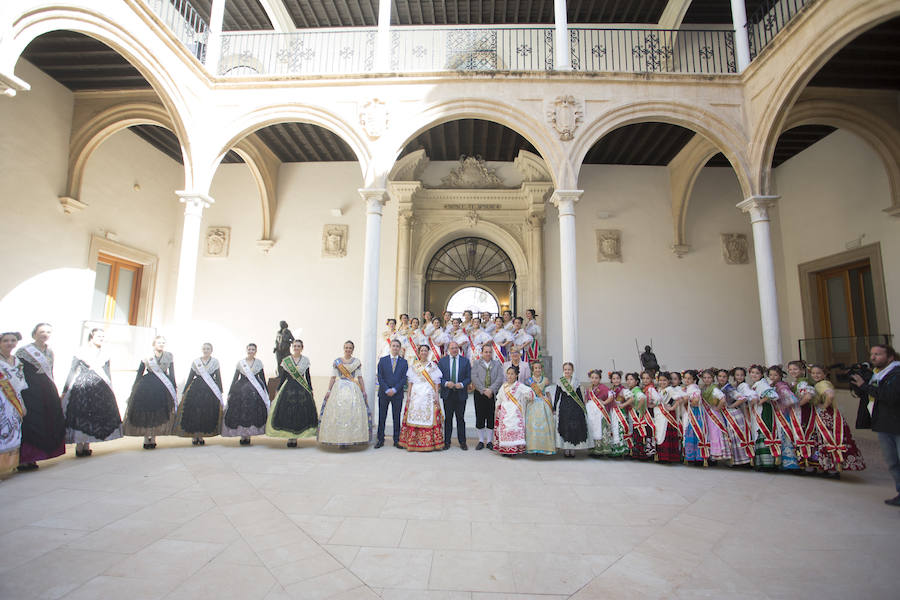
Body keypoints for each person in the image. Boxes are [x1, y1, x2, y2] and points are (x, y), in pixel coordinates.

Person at [850, 344, 900, 505]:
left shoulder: (895, 374)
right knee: (892, 461)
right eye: (872, 354)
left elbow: (889, 396)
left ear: (890, 357)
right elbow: (868, 394)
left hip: (896, 423)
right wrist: (860, 386)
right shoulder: (876, 375)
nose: (873, 357)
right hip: (884, 425)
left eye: (878, 354)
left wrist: (865, 386)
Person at [62, 328, 122, 456]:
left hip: (100, 387)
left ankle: (87, 444)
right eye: (99, 336)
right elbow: (72, 370)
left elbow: (107, 371)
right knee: (81, 414)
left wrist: (110, 387)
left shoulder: (105, 353)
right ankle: (79, 445)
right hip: (83, 385)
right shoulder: (81, 351)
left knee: (94, 416)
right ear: (91, 337)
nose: (101, 338)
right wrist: (65, 389)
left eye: (102, 336)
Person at [15, 323, 65, 469]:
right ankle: (24, 459)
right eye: (42, 331)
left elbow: (51, 372)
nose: (45, 334)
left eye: (48, 332)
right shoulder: (24, 351)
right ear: (34, 333)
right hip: (30, 391)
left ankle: (36, 457)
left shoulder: (50, 352)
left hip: (47, 391)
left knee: (46, 422)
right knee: (31, 422)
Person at [809, 364, 865, 477]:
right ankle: (828, 467)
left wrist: (824, 406)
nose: (815, 375)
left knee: (828, 440)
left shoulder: (823, 384)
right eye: (813, 373)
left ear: (825, 374)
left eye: (818, 373)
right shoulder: (820, 384)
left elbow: (830, 395)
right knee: (823, 441)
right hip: (827, 415)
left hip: (827, 416)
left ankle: (832, 469)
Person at [123, 336, 177, 449]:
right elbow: (140, 372)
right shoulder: (147, 356)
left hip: (162, 387)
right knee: (147, 412)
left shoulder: (169, 356)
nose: (161, 344)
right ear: (154, 344)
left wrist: (173, 386)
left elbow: (172, 373)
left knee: (159, 412)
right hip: (147, 386)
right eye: (159, 342)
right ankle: (146, 437)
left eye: (163, 342)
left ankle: (153, 438)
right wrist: (134, 388)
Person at [319, 341, 371, 448]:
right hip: (339, 388)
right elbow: (333, 377)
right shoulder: (337, 362)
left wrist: (364, 391)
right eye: (346, 347)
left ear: (353, 349)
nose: (348, 350)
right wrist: (329, 391)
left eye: (350, 348)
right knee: (339, 414)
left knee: (351, 414)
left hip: (353, 388)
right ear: (344, 348)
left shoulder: (356, 362)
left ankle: (350, 438)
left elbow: (360, 377)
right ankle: (339, 439)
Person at [267, 339, 318, 446]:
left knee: (300, 413)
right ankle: (290, 436)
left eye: (298, 346)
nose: (296, 348)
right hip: (288, 388)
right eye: (295, 346)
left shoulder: (305, 360)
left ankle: (296, 437)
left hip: (302, 388)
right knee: (287, 412)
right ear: (292, 347)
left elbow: (307, 376)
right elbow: (283, 377)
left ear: (302, 348)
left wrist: (310, 389)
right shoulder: (287, 361)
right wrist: (278, 389)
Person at [174, 342, 224, 444]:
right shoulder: (196, 362)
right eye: (204, 349)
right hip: (196, 388)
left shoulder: (215, 362)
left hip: (209, 390)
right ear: (202, 350)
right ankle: (194, 435)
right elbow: (191, 376)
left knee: (205, 413)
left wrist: (220, 390)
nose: (206, 350)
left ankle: (201, 435)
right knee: (194, 412)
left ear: (211, 350)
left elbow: (218, 377)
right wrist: (184, 391)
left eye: (208, 349)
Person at [398, 345, 444, 452]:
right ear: (418, 353)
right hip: (416, 395)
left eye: (425, 350)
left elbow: (437, 383)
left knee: (429, 417)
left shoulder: (433, 366)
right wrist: (408, 396)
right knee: (414, 417)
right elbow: (410, 382)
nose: (424, 352)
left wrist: (437, 395)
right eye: (422, 350)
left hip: (429, 396)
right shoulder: (414, 366)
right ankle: (412, 442)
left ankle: (430, 443)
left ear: (429, 352)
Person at [222, 343, 269, 445]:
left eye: (253, 349)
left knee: (253, 412)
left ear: (255, 351)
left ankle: (249, 435)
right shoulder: (241, 363)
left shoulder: (259, 363)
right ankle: (243, 435)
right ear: (246, 350)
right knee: (240, 412)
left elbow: (262, 378)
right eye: (249, 349)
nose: (251, 351)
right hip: (240, 390)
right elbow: (235, 378)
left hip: (255, 391)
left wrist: (266, 392)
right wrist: (230, 391)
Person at [0, 332, 26, 474]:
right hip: (1, 399)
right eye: (5, 341)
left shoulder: (16, 361)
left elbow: (21, 384)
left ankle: (6, 467)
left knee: (13, 432)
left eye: (12, 340)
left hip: (14, 400)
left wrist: (22, 404)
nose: (9, 343)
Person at [438, 341, 470, 450]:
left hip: (460, 393)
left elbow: (468, 377)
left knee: (460, 418)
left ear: (459, 349)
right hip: (448, 394)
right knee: (448, 419)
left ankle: (462, 442)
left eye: (456, 348)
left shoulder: (465, 361)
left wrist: (461, 384)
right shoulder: (442, 361)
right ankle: (447, 442)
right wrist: (446, 383)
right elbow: (439, 378)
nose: (454, 350)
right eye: (452, 348)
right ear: (448, 349)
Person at [719, 368, 754, 467]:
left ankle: (743, 461)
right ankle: (737, 460)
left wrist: (731, 406)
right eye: (720, 376)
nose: (722, 378)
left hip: (733, 414)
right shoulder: (725, 387)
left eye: (724, 376)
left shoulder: (728, 388)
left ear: (728, 377)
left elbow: (742, 398)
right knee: (733, 437)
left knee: (737, 437)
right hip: (728, 414)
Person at [376, 339, 407, 448]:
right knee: (382, 417)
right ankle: (380, 439)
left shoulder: (404, 362)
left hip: (397, 394)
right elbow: (380, 376)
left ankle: (396, 440)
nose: (395, 348)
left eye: (397, 346)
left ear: (400, 348)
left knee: (396, 417)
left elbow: (404, 379)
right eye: (393, 346)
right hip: (384, 394)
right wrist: (386, 389)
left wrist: (394, 390)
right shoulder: (383, 360)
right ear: (390, 347)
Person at [553, 362, 589, 457]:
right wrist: (554, 407)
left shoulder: (576, 381)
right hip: (564, 406)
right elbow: (557, 395)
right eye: (565, 369)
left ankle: (572, 448)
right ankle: (566, 448)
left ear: (572, 371)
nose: (567, 371)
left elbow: (579, 395)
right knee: (565, 426)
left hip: (575, 406)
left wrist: (582, 406)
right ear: (563, 371)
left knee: (574, 427)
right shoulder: (560, 381)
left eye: (569, 369)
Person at [494, 365, 531, 456]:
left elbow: (530, 393)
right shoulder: (504, 386)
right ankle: (504, 449)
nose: (510, 376)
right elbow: (499, 398)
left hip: (515, 412)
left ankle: (513, 450)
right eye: (508, 374)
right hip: (505, 412)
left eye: (512, 374)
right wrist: (497, 408)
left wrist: (526, 397)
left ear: (516, 375)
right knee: (505, 431)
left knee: (514, 429)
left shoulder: (520, 386)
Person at [471, 344, 502, 450]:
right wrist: (483, 390)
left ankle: (489, 441)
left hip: (492, 394)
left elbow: (499, 378)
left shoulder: (497, 364)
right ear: (482, 353)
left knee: (490, 416)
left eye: (490, 352)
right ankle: (480, 441)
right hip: (480, 393)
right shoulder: (476, 363)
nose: (488, 354)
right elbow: (474, 377)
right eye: (486, 352)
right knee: (480, 416)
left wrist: (491, 390)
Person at [699, 369, 729, 464]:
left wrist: (717, 408)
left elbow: (723, 399)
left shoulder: (714, 388)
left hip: (713, 414)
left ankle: (715, 456)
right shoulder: (704, 388)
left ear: (712, 378)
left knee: (714, 433)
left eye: (709, 378)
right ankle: (709, 454)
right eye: (705, 378)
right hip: (706, 413)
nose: (707, 379)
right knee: (708, 433)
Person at [525, 361, 556, 455]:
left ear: (541, 369)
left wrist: (552, 406)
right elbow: (527, 394)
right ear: (532, 370)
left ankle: (544, 447)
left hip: (543, 404)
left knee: (544, 426)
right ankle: (533, 447)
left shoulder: (545, 380)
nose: (537, 370)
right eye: (535, 368)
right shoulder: (529, 381)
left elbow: (547, 393)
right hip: (532, 404)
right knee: (532, 426)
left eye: (539, 368)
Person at [653, 372, 683, 463]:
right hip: (659, 416)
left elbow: (679, 399)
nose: (662, 382)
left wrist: (672, 407)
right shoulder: (658, 390)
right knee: (659, 434)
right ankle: (661, 457)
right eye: (660, 380)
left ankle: (668, 457)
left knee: (665, 435)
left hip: (667, 416)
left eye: (664, 380)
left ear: (668, 381)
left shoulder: (670, 389)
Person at [681, 370, 708, 466]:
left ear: (694, 379)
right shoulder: (687, 388)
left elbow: (696, 401)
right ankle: (691, 457)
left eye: (689, 378)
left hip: (694, 413)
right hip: (688, 412)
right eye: (685, 378)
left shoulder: (694, 388)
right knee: (689, 432)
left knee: (693, 433)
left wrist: (687, 401)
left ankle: (696, 457)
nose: (687, 380)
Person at [584, 369, 613, 457]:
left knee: (600, 430)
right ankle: (593, 450)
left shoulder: (603, 387)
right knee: (592, 429)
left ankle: (601, 450)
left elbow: (611, 396)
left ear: (599, 379)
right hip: (591, 412)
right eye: (592, 378)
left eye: (596, 378)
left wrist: (604, 402)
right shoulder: (589, 388)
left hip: (600, 413)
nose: (594, 380)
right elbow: (586, 399)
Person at [630, 371, 657, 460]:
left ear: (651, 379)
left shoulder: (651, 389)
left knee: (649, 432)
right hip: (645, 412)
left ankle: (649, 452)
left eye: (647, 378)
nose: (645, 380)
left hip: (649, 412)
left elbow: (658, 399)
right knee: (645, 432)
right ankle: (644, 452)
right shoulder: (645, 388)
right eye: (643, 378)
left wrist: (652, 405)